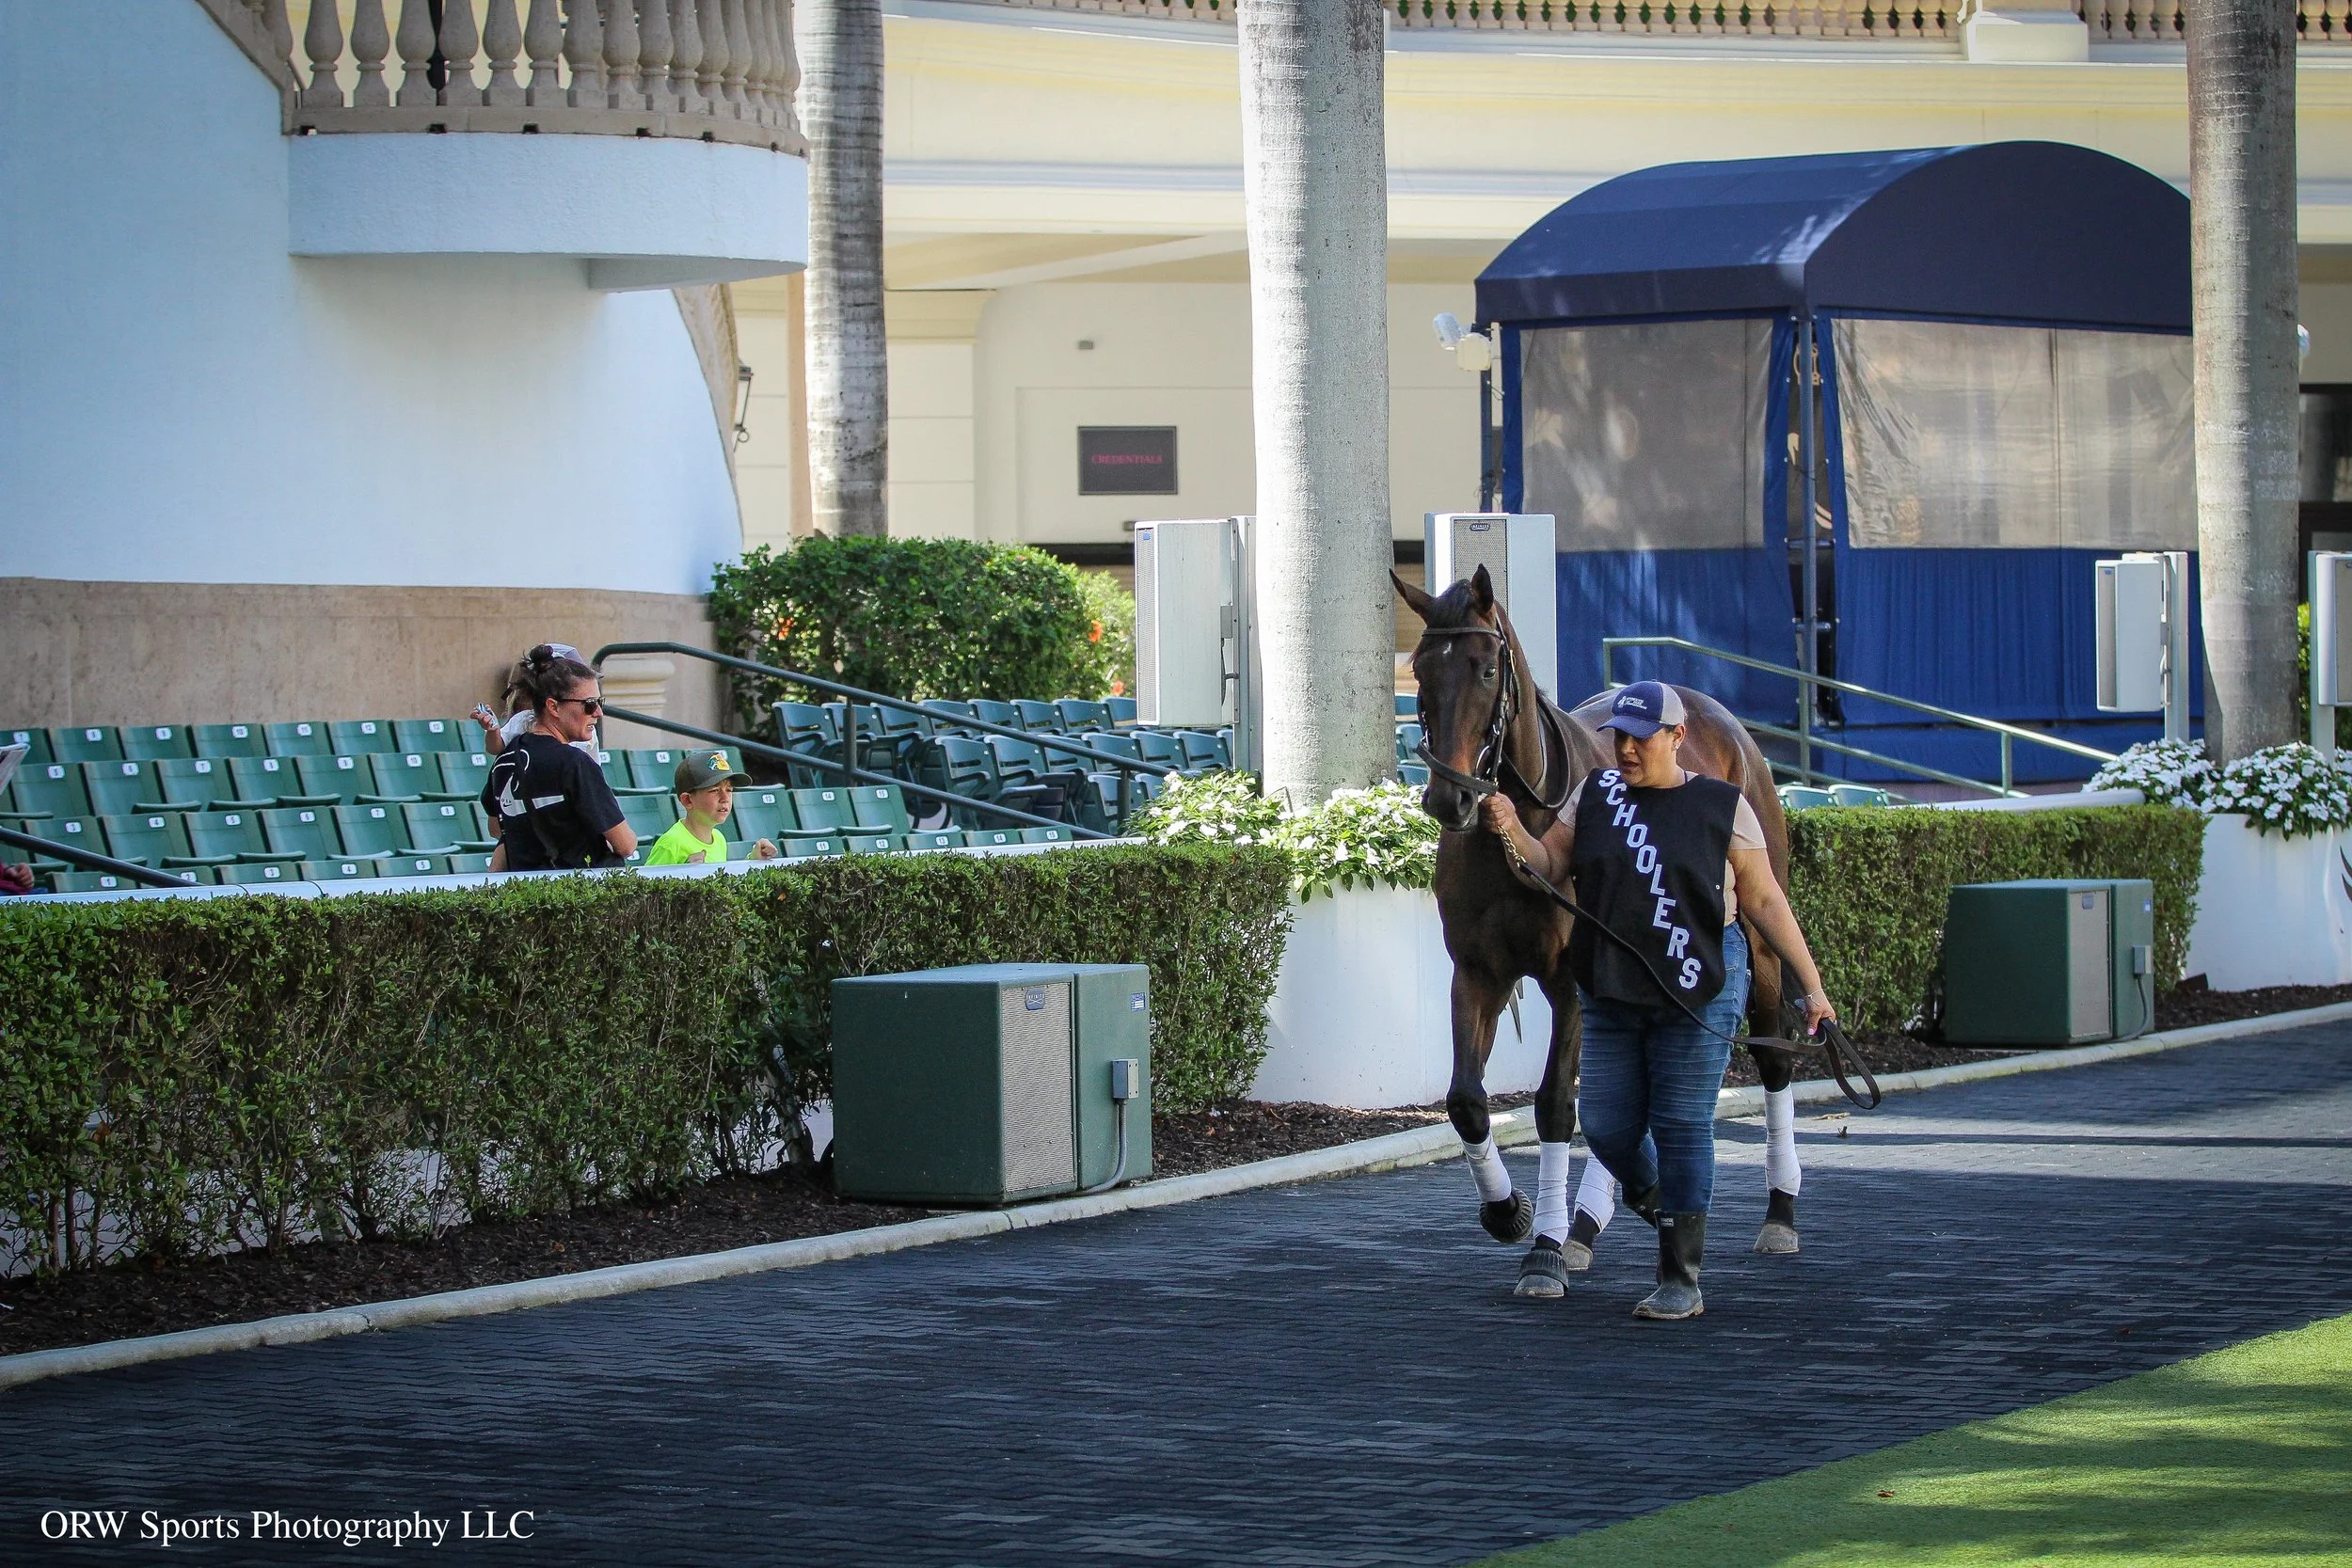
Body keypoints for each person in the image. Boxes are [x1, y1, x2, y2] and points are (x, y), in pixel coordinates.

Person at [1481, 680, 1837, 1322]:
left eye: (1640, 737)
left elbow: (1763, 900)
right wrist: (1511, 831)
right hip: (1613, 985)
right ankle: (1665, 1206)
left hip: (1700, 985)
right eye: (1619, 735)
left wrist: (1812, 987)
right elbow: (1548, 862)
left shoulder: (1721, 806)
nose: (1625, 747)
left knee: (1679, 1120)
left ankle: (1681, 1274)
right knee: (1612, 1126)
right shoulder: (1594, 796)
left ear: (1676, 737)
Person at [483, 645, 636, 872]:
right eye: (590, 704)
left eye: (599, 703)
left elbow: (497, 829)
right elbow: (625, 845)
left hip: (525, 895)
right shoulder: (575, 763)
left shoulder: (504, 762)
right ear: (553, 706)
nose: (598, 713)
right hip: (580, 895)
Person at [644, 750, 779, 866]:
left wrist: (753, 860)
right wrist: (682, 877)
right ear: (688, 800)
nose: (725, 798)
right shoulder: (670, 844)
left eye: (729, 790)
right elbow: (644, 892)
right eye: (714, 790)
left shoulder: (719, 838)